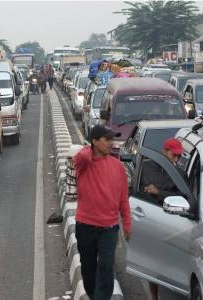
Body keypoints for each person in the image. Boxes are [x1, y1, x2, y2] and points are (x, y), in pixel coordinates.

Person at [73, 125, 132, 300]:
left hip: (109, 228)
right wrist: (90, 148)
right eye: (107, 140)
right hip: (85, 226)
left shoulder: (117, 166)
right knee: (88, 269)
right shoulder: (84, 163)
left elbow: (123, 199)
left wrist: (127, 223)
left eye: (112, 139)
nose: (111, 143)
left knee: (106, 268)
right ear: (95, 141)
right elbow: (81, 156)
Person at [141, 138, 183, 300]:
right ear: (165, 151)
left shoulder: (177, 171)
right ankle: (154, 297)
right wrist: (163, 190)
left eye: (179, 157)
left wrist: (161, 191)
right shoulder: (149, 166)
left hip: (176, 218)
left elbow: (179, 193)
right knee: (154, 263)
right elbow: (154, 187)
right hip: (154, 218)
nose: (176, 159)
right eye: (174, 155)